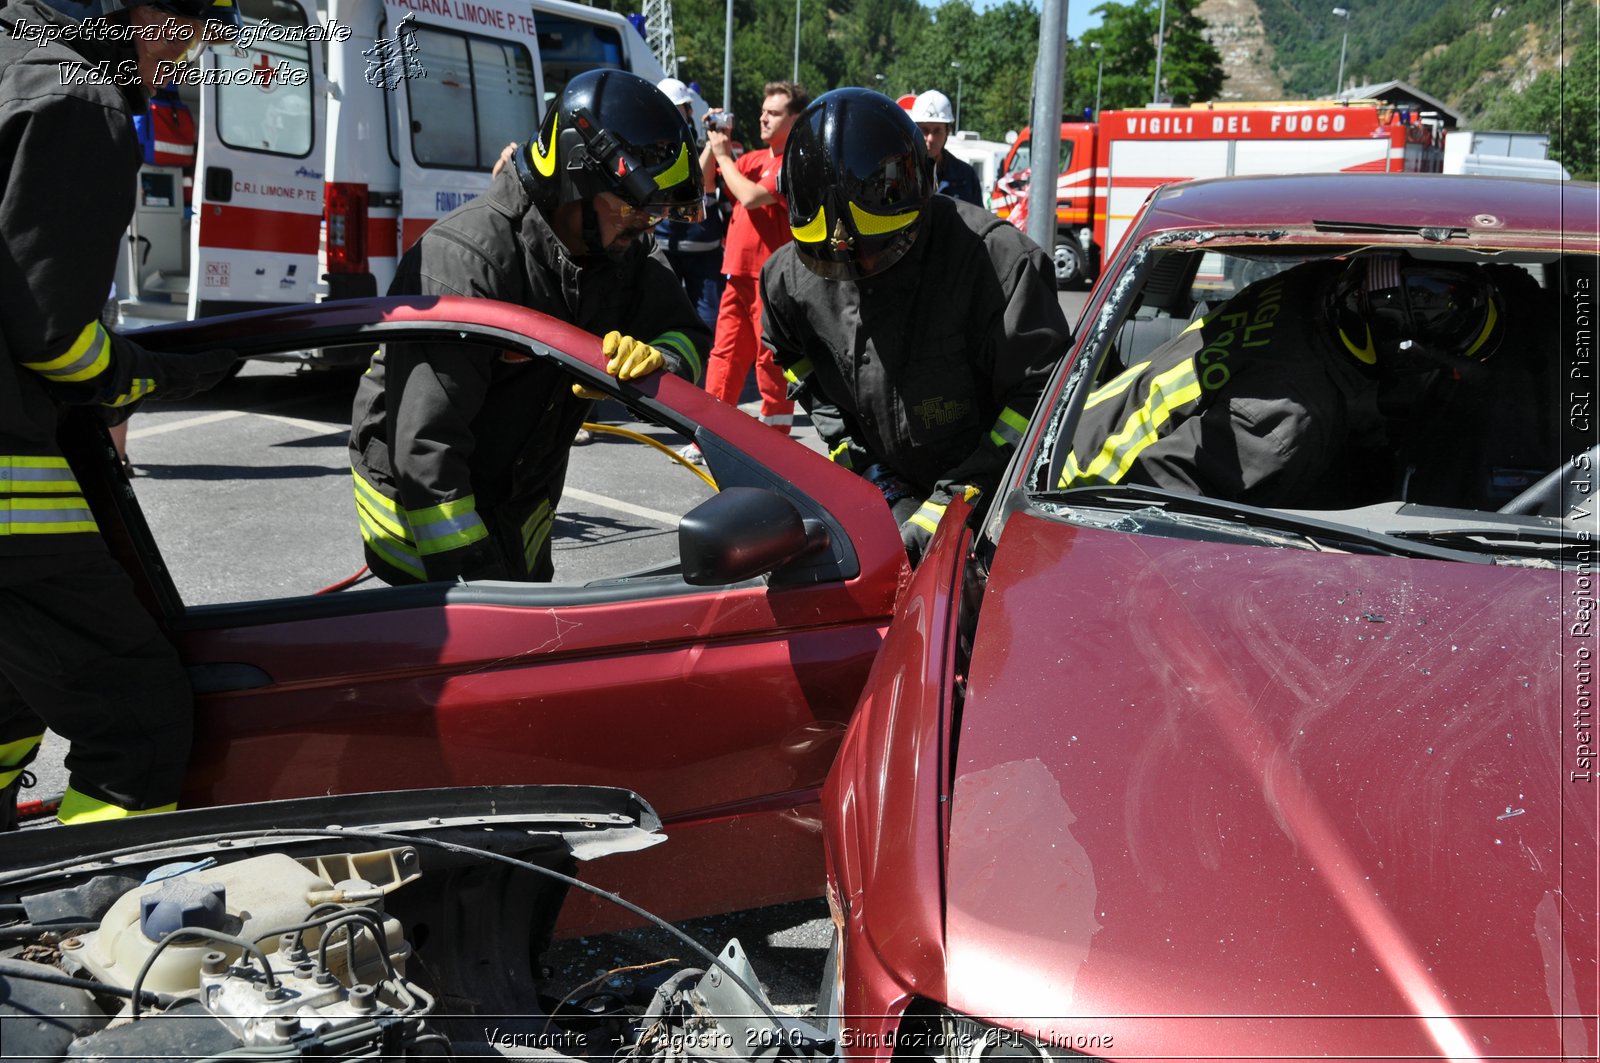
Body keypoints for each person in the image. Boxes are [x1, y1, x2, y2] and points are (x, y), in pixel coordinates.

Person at [0, 0, 241, 826]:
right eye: (176, 30)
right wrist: (165, 374)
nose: (179, 60)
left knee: (7, 699)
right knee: (136, 719)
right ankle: (84, 930)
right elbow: (58, 345)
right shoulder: (77, 98)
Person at [349, 69, 711, 586]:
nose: (645, 225)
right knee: (447, 647)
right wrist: (483, 595)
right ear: (576, 181)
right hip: (421, 514)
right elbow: (427, 451)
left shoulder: (618, 247)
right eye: (634, 207)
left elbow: (687, 336)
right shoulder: (466, 264)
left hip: (521, 491)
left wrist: (662, 361)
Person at [761, 88, 1071, 564]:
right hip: (889, 492)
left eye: (874, 254)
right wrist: (853, 454)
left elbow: (1042, 404)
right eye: (836, 260)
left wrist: (955, 500)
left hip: (999, 508)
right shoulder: (789, 278)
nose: (858, 269)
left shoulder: (997, 264)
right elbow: (790, 357)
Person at [1060, 254, 1508, 508]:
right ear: (1403, 357)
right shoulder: (1285, 420)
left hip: (1084, 426)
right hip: (1085, 484)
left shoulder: (1312, 284)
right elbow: (1160, 506)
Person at [688, 80, 808, 460]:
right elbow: (703, 181)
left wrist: (723, 157)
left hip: (771, 280)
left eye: (773, 113)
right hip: (737, 274)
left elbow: (751, 197)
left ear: (795, 119)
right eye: (762, 111)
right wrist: (712, 143)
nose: (763, 118)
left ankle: (773, 444)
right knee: (724, 356)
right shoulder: (754, 158)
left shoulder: (794, 161)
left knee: (769, 363)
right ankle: (707, 435)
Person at [654, 76, 727, 336]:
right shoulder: (650, 146)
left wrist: (713, 140)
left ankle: (699, 369)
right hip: (663, 245)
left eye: (677, 109)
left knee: (708, 319)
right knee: (661, 316)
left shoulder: (703, 146)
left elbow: (704, 183)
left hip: (704, 249)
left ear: (689, 110)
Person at [909, 89, 983, 207]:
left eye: (937, 131)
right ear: (914, 130)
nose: (931, 139)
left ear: (947, 132)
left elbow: (979, 223)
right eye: (924, 130)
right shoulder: (901, 172)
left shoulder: (966, 176)